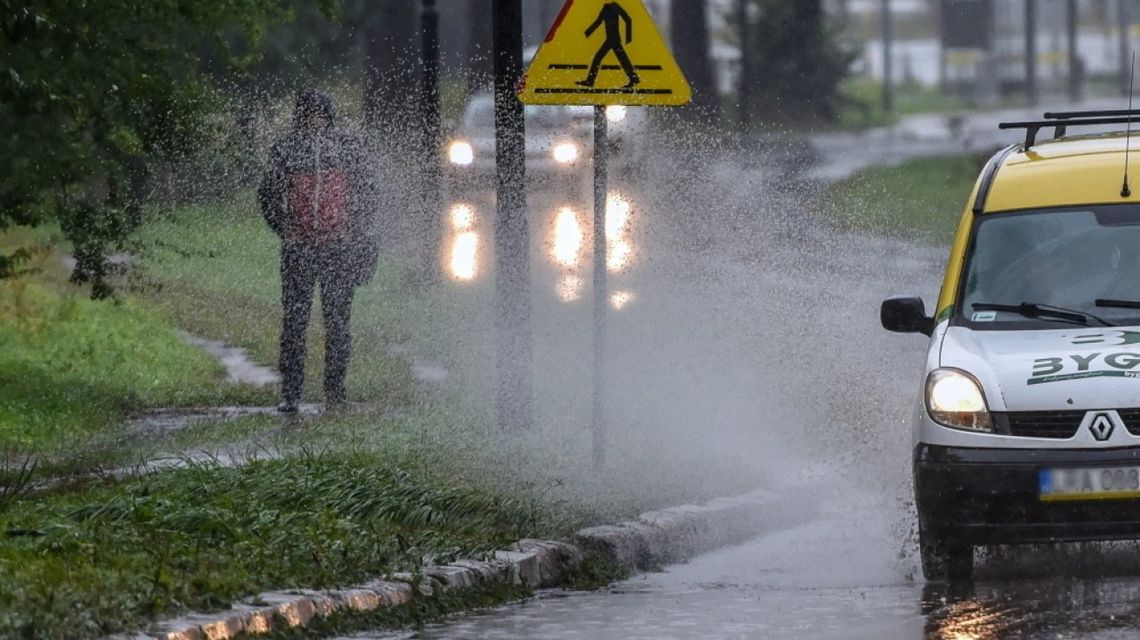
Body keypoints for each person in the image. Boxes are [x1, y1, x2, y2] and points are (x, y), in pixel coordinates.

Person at [258, 90, 379, 413]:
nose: (315, 121)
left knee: (338, 323)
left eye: (320, 114)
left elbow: (368, 192)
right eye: (310, 114)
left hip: (339, 249)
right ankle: (291, 393)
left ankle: (335, 393)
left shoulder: (347, 148)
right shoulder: (285, 150)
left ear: (329, 116)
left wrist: (354, 232)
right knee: (295, 323)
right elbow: (268, 195)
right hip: (298, 251)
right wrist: (284, 229)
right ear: (301, 116)